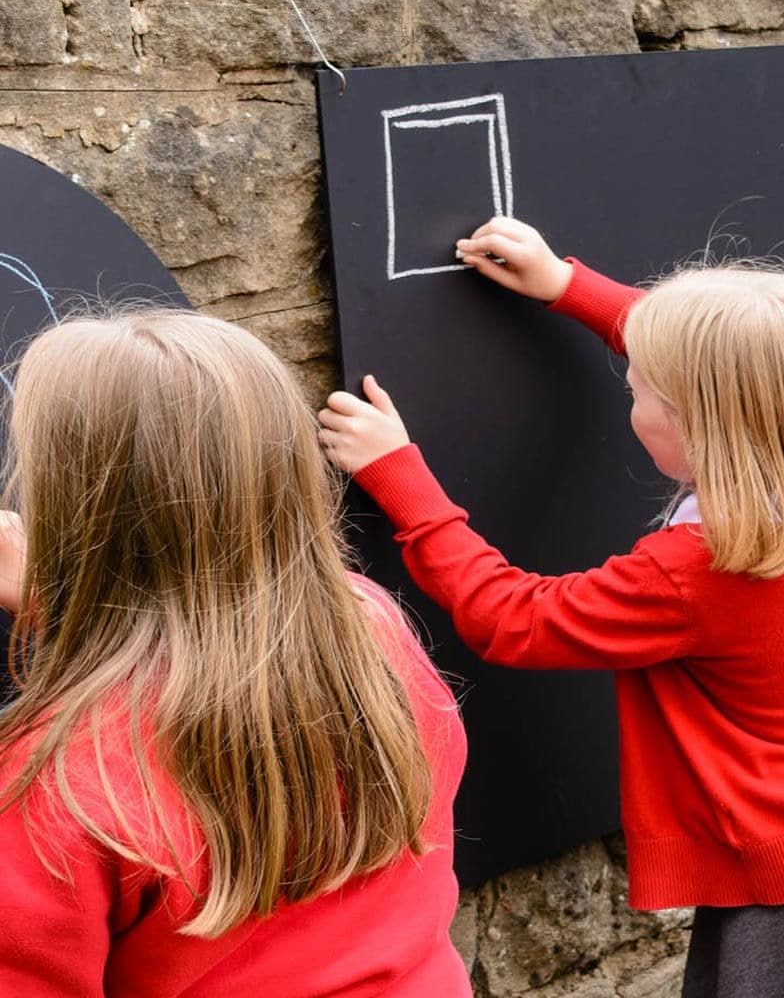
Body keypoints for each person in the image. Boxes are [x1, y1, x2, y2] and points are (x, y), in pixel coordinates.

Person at [318, 217, 784, 998]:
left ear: (702, 427)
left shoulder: (697, 571)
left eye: (639, 392)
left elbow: (511, 616)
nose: (630, 392)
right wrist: (569, 288)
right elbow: (742, 366)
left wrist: (399, 477)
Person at [0, 309, 470, 997]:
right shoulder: (366, 622)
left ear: (72, 509)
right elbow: (209, 635)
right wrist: (60, 603)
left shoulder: (55, 779)